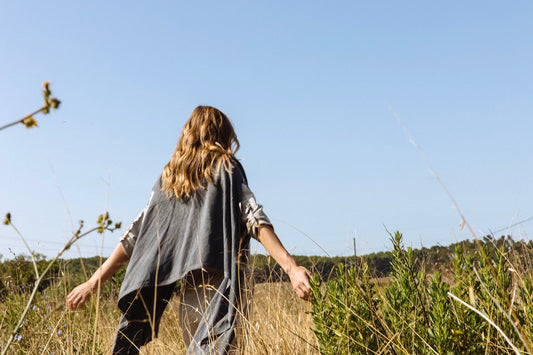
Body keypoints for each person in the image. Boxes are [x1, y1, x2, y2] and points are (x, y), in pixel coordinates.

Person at [66, 106, 312, 354]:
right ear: (224, 135)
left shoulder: (171, 178)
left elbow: (137, 235)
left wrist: (92, 282)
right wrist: (291, 268)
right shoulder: (227, 168)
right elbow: (253, 218)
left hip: (189, 299)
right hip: (223, 293)